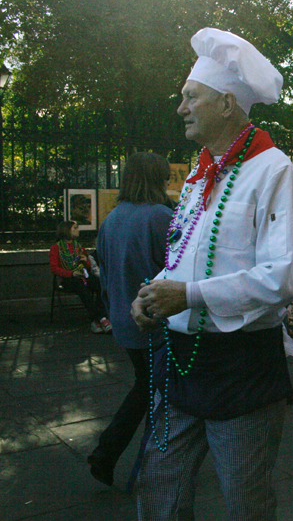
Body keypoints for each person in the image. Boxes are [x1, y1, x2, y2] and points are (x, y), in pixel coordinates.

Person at [130, 27, 293, 520]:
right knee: (158, 485)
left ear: (228, 104)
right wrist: (153, 293)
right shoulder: (200, 172)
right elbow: (183, 253)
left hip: (243, 369)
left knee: (245, 501)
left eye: (191, 97)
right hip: (183, 363)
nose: (181, 108)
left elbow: (288, 274)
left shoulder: (274, 170)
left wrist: (187, 295)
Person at [87, 152, 173, 486]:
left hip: (125, 321)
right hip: (156, 324)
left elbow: (104, 274)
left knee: (147, 386)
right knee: (154, 390)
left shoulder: (112, 218)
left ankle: (111, 455)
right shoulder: (161, 217)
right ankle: (114, 455)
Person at [49, 221, 111, 334]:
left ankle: (100, 318)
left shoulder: (78, 246)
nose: (78, 230)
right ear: (67, 230)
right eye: (75, 228)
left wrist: (85, 261)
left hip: (82, 276)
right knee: (81, 287)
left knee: (101, 284)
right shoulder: (56, 248)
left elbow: (87, 265)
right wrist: (71, 273)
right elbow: (54, 268)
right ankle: (98, 319)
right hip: (68, 279)